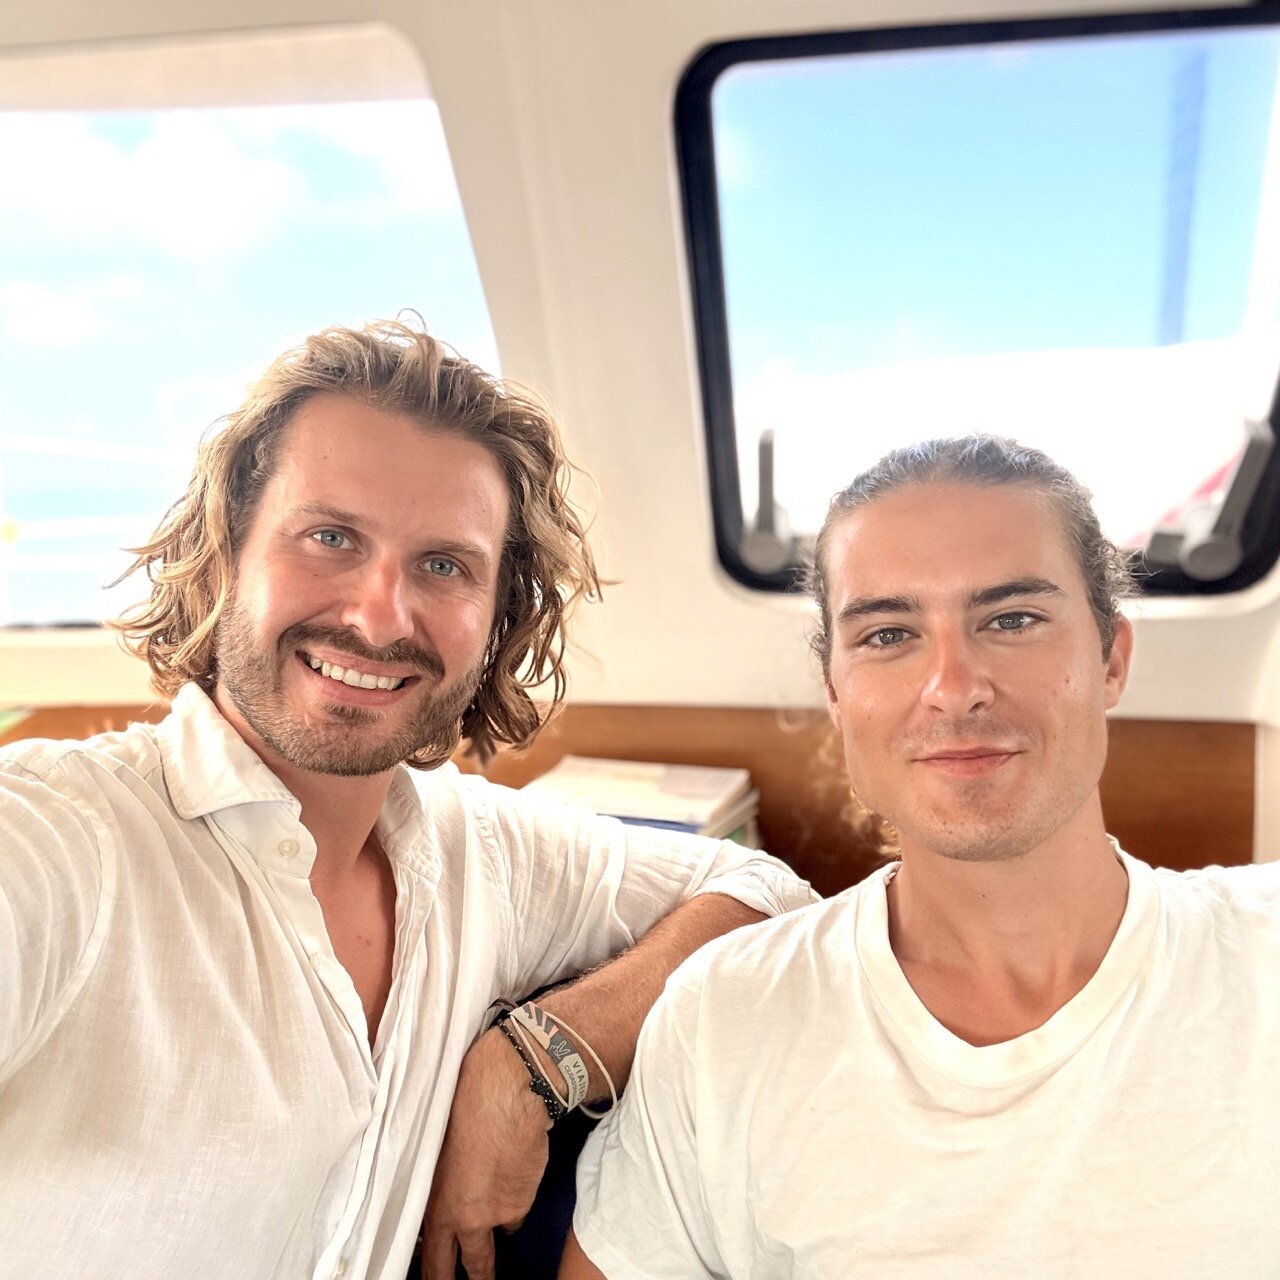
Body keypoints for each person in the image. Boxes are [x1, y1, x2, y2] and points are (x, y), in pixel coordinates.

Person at [0, 319, 815, 1280]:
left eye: (443, 566)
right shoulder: (63, 838)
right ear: (226, 555)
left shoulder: (484, 854)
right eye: (330, 537)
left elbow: (766, 896)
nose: (380, 615)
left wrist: (536, 1061)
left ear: (497, 620)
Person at [562, 435, 1280, 1279]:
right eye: (889, 634)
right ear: (835, 692)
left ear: (1111, 658)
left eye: (1011, 620)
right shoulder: (721, 1020)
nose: (954, 687)